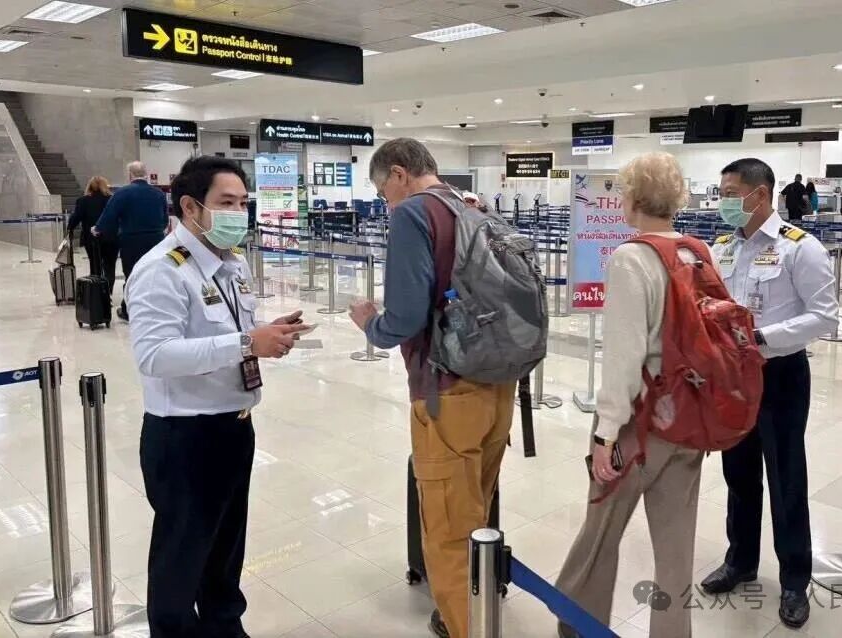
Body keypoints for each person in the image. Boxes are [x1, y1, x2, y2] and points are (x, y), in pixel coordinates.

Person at [127, 156, 310, 638]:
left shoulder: (232, 264)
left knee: (226, 550)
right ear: (190, 207)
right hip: (185, 436)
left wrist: (266, 333)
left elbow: (229, 330)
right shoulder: (162, 270)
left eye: (243, 203)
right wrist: (247, 343)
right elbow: (155, 355)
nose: (238, 213)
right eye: (226, 203)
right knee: (181, 557)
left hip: (235, 426)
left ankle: (225, 627)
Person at [348, 138, 515, 638]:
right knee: (477, 512)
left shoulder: (413, 214)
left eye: (384, 192)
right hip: (499, 383)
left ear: (399, 174)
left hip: (448, 390)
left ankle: (466, 627)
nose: (386, 203)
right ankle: (474, 611)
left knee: (447, 527)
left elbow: (404, 318)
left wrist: (370, 323)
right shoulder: (473, 208)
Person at [555, 153, 704, 638]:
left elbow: (625, 356)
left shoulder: (631, 258)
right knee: (676, 546)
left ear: (635, 198)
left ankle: (580, 622)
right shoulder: (698, 252)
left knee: (600, 531)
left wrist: (605, 434)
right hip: (691, 420)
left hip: (640, 425)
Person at [701, 158, 839, 629]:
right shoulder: (722, 248)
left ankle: (795, 580)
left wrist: (760, 339)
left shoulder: (800, 248)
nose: (723, 202)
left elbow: (825, 316)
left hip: (779, 375)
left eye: (730, 193)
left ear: (759, 195)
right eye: (721, 193)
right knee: (738, 474)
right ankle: (740, 561)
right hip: (732, 377)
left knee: (786, 478)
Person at [94, 161, 168, 321]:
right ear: (145, 174)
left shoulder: (122, 193)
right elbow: (165, 220)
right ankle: (156, 309)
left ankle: (129, 310)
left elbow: (109, 215)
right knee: (154, 274)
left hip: (132, 241)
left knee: (133, 275)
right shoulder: (158, 194)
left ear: (130, 175)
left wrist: (97, 228)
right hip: (156, 240)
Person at [68, 176, 118, 296]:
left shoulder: (83, 201)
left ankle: (97, 293)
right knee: (110, 266)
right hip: (111, 238)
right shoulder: (112, 200)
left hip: (91, 239)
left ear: (89, 186)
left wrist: (70, 229)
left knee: (95, 265)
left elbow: (75, 218)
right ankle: (108, 293)